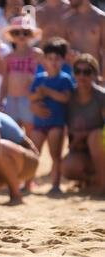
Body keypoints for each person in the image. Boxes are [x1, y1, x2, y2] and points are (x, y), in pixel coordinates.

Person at [30, 38, 76, 194]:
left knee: (55, 155)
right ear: (44, 60)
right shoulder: (39, 78)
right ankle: (27, 182)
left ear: (63, 60)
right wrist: (37, 99)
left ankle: (55, 185)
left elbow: (66, 98)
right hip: (39, 122)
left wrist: (47, 92)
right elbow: (32, 98)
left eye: (57, 59)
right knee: (32, 153)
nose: (53, 62)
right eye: (50, 58)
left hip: (57, 122)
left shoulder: (65, 79)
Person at [61, 54, 105, 194]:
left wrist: (84, 134)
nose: (82, 76)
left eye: (87, 72)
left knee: (96, 136)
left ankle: (101, 183)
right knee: (67, 167)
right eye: (78, 71)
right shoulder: (68, 96)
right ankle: (93, 180)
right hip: (80, 149)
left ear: (95, 75)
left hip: (100, 148)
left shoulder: (101, 96)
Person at [0, 16, 43, 134]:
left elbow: (42, 78)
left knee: (30, 131)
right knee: (12, 132)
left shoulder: (37, 54)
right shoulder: (8, 57)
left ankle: (31, 153)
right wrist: (0, 101)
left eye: (25, 32)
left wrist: (39, 98)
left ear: (30, 35)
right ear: (12, 36)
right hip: (11, 98)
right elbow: (4, 82)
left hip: (29, 99)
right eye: (17, 32)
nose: (21, 36)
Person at [63, 0, 105, 86]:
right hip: (74, 77)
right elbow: (63, 52)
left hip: (94, 77)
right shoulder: (67, 20)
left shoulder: (100, 18)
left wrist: (103, 78)